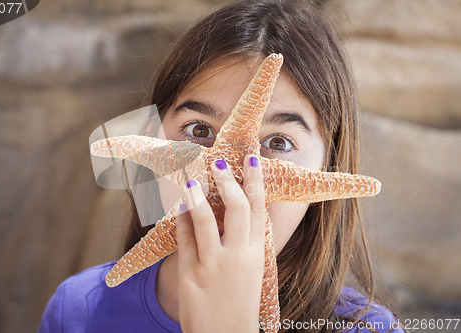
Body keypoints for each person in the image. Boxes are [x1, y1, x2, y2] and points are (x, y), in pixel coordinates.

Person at [38, 0, 404, 332]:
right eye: (198, 130)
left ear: (328, 168)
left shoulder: (367, 329)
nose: (226, 179)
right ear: (151, 135)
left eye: (277, 143)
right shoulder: (78, 310)